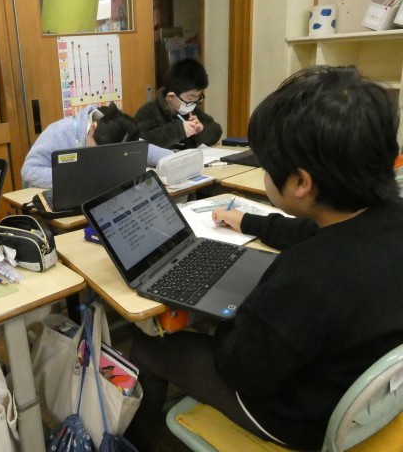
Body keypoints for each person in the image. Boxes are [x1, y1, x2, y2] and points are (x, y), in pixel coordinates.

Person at [124, 65, 403, 451]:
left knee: (147, 347)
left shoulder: (307, 275)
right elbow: (310, 232)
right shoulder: (385, 217)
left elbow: (242, 371)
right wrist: (247, 221)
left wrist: (230, 314)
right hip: (366, 398)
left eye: (267, 165)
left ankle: (146, 442)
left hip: (296, 418)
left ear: (301, 183)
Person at [21, 103, 172, 188]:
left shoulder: (118, 133)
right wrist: (79, 177)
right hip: (62, 200)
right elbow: (29, 171)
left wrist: (175, 161)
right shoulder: (59, 132)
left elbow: (153, 153)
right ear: (93, 128)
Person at [134, 58, 222, 150]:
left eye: (198, 97)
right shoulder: (148, 111)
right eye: (190, 98)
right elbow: (139, 143)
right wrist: (178, 130)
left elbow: (216, 131)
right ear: (171, 97)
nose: (193, 103)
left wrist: (201, 131)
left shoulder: (193, 110)